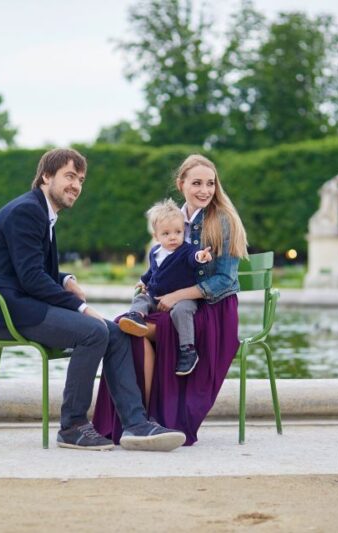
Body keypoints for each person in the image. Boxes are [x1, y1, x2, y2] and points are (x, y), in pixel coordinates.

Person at [0, 148, 186, 452]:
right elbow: (31, 278)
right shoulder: (27, 211)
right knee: (93, 331)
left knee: (116, 332)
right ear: (46, 176)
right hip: (5, 311)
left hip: (22, 304)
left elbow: (32, 269)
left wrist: (65, 278)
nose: (76, 185)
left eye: (80, 180)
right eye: (70, 176)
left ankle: (136, 425)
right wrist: (82, 308)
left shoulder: (42, 212)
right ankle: (72, 426)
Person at [93, 154, 249, 445]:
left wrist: (177, 295)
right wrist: (146, 283)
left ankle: (146, 419)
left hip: (212, 309)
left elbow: (225, 280)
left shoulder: (223, 220)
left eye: (211, 183)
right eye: (197, 183)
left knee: (146, 330)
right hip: (172, 303)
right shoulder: (171, 219)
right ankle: (138, 420)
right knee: (122, 328)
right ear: (181, 184)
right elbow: (161, 262)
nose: (205, 190)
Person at [119, 198, 213, 376]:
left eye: (178, 232)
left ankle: (188, 350)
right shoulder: (155, 252)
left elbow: (193, 258)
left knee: (182, 311)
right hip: (156, 297)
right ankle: (136, 317)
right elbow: (152, 272)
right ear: (156, 236)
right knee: (141, 298)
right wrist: (143, 281)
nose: (173, 237)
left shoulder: (186, 250)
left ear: (183, 231)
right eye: (166, 233)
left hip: (182, 299)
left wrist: (201, 256)